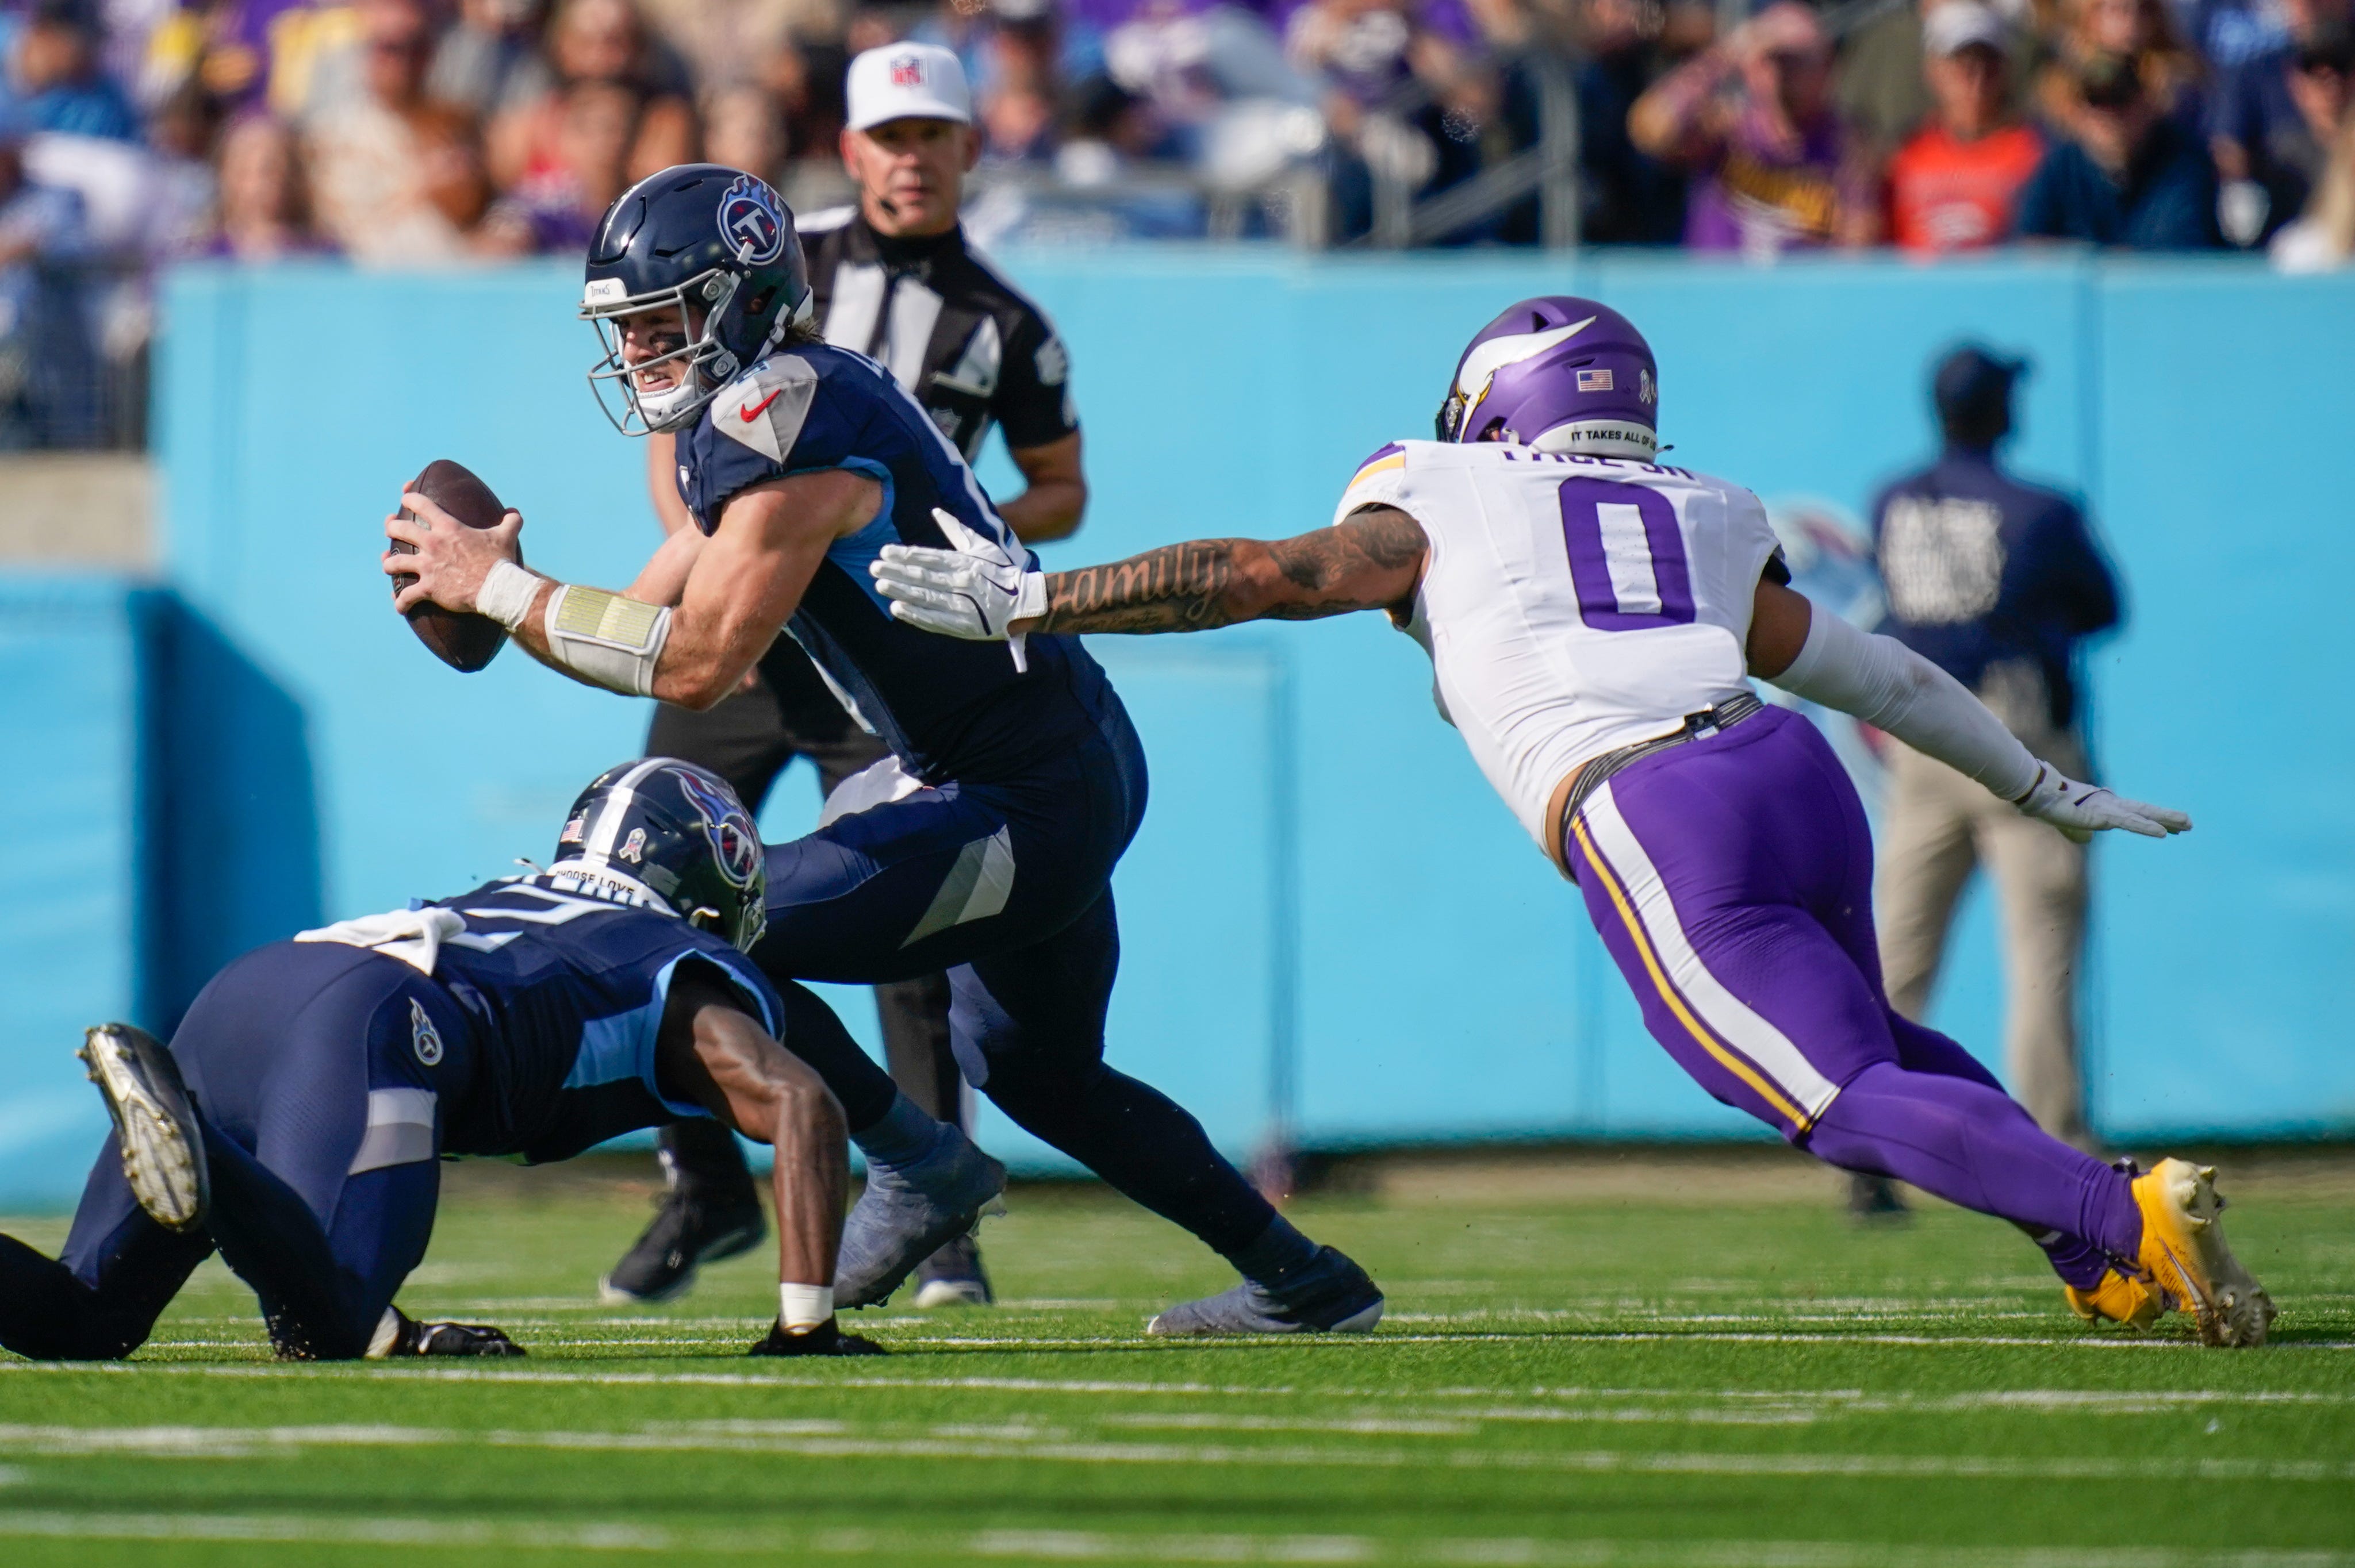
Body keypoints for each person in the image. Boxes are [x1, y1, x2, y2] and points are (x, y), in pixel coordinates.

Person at [869, 295, 2276, 1349]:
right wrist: (2033, 779)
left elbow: (1263, 573)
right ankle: (2090, 1240)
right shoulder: (1705, 504)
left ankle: (2117, 1209)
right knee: (1880, 1042)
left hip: (1652, 802)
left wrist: (1041, 598)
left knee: (1822, 1094)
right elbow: (1876, 669)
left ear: (1494, 402)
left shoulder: (1431, 481)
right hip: (1790, 774)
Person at [380, 163, 1382, 1338]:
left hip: (1017, 789)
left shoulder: (782, 423)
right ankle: (1304, 1278)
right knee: (1046, 1075)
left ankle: (912, 1160)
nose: (644, 352)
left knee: (708, 923)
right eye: (630, 330)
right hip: (1045, 751)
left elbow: (695, 662)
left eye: (665, 322)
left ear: (743, 298)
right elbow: (642, 616)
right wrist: (501, 594)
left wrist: (501, 588)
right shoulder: (783, 400)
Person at [605, 45, 1092, 1313]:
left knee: (903, 930)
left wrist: (947, 525)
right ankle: (702, 1176)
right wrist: (730, 559)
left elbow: (1056, 487)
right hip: (748, 631)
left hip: (884, 650)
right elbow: (686, 438)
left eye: (933, 132)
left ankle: (937, 1212)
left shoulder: (1006, 322)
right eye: (890, 133)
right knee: (634, 875)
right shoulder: (769, 254)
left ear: (969, 147)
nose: (910, 155)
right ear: (855, 144)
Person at [0, 761, 883, 1362]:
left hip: (249, 993)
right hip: (373, 1018)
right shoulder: (671, 961)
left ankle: (189, 1135)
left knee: (87, 1320)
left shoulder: (528, 895)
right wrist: (807, 1326)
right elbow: (804, 1105)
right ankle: (196, 1144)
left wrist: (406, 1334)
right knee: (326, 1321)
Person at [1867, 344, 2119, 1174]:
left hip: (1923, 728)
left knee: (1901, 945)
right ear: (1998, 411)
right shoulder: (2040, 509)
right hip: (2015, 729)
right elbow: (2103, 608)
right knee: (2042, 946)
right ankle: (2060, 1147)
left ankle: (1866, 1140)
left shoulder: (1894, 499)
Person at [1628, 1, 1871, 256]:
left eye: (1799, 62)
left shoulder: (1844, 145)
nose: (1783, 75)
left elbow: (1857, 249)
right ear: (1752, 65)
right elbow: (1649, 129)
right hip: (1718, 289)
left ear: (1826, 67)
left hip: (1801, 292)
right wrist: (1726, 54)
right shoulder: (1727, 129)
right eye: (1774, 61)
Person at [1884, 2, 2046, 253]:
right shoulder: (1905, 155)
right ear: (1934, 71)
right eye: (1963, 65)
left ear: (2006, 71)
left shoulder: (2034, 153)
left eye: (1989, 65)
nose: (1977, 80)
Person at [2015, 50, 2222, 246]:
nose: (2108, 114)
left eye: (2119, 99)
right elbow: (2031, 242)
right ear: (2079, 112)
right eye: (2096, 101)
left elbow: (2176, 249)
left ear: (2145, 104)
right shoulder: (2061, 166)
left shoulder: (2183, 163)